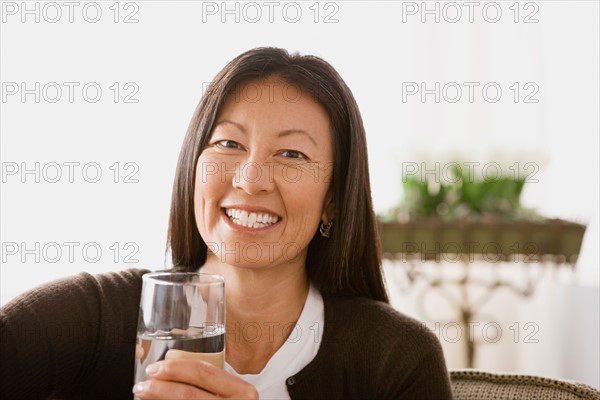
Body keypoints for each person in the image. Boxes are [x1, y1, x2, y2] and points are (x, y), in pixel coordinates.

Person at [0, 47, 453, 399]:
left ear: (333, 201)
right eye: (229, 144)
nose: (251, 178)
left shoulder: (396, 358)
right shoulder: (98, 315)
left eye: (292, 154)